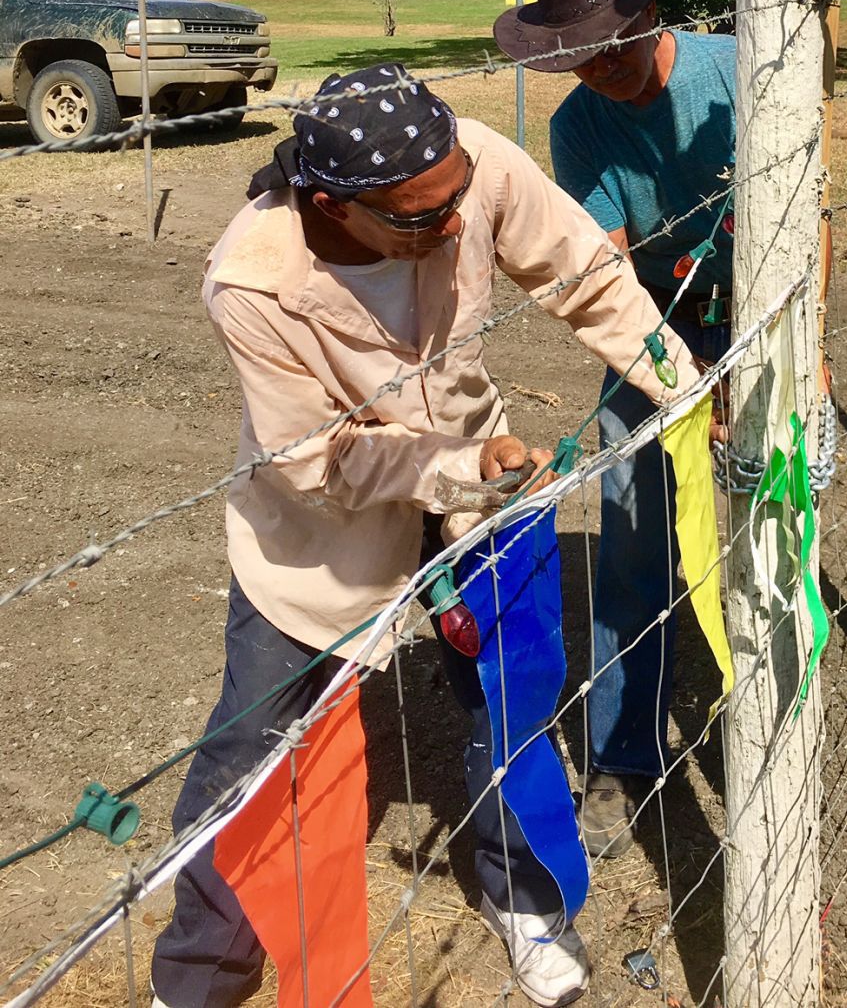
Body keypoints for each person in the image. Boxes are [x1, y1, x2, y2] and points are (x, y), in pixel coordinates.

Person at [150, 61, 693, 1008]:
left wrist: (676, 379)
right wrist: (449, 468)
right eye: (418, 218)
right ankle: (200, 975)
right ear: (332, 202)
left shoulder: (465, 163)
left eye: (458, 202)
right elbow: (314, 463)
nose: (452, 225)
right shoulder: (253, 279)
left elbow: (583, 267)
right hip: (319, 528)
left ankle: (525, 900)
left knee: (517, 697)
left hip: (487, 478)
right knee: (258, 746)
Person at [494, 0, 735, 862]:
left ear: (649, 13)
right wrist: (681, 380)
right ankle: (624, 754)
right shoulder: (577, 127)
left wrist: (803, 351)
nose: (600, 74)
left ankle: (758, 704)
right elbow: (608, 272)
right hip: (652, 325)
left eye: (612, 50)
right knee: (632, 525)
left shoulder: (735, 72)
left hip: (762, 303)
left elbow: (809, 209)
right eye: (577, 62)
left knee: (766, 502)